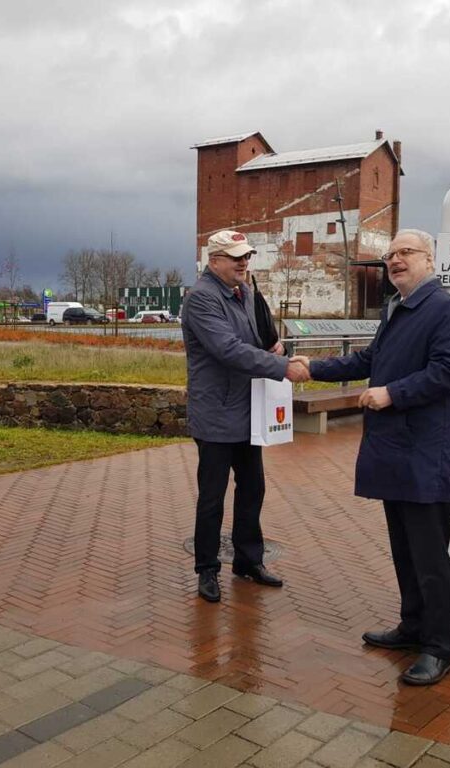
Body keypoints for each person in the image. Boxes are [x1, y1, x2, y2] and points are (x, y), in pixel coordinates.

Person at [296, 229, 450, 686]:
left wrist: (393, 393)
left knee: (430, 558)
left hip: (426, 455)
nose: (395, 260)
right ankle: (412, 626)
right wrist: (312, 367)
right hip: (397, 453)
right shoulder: (397, 309)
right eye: (390, 255)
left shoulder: (447, 309)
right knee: (405, 550)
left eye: (405, 252)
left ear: (430, 260)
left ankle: (439, 648)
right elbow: (368, 361)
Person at [181, 230, 309, 603]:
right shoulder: (201, 298)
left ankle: (248, 560)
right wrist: (282, 367)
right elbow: (228, 350)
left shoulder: (244, 292)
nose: (243, 262)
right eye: (236, 257)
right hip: (217, 413)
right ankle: (207, 569)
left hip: (247, 410)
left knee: (253, 487)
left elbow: (251, 341)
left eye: (246, 256)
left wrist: (272, 348)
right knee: (212, 496)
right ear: (214, 260)